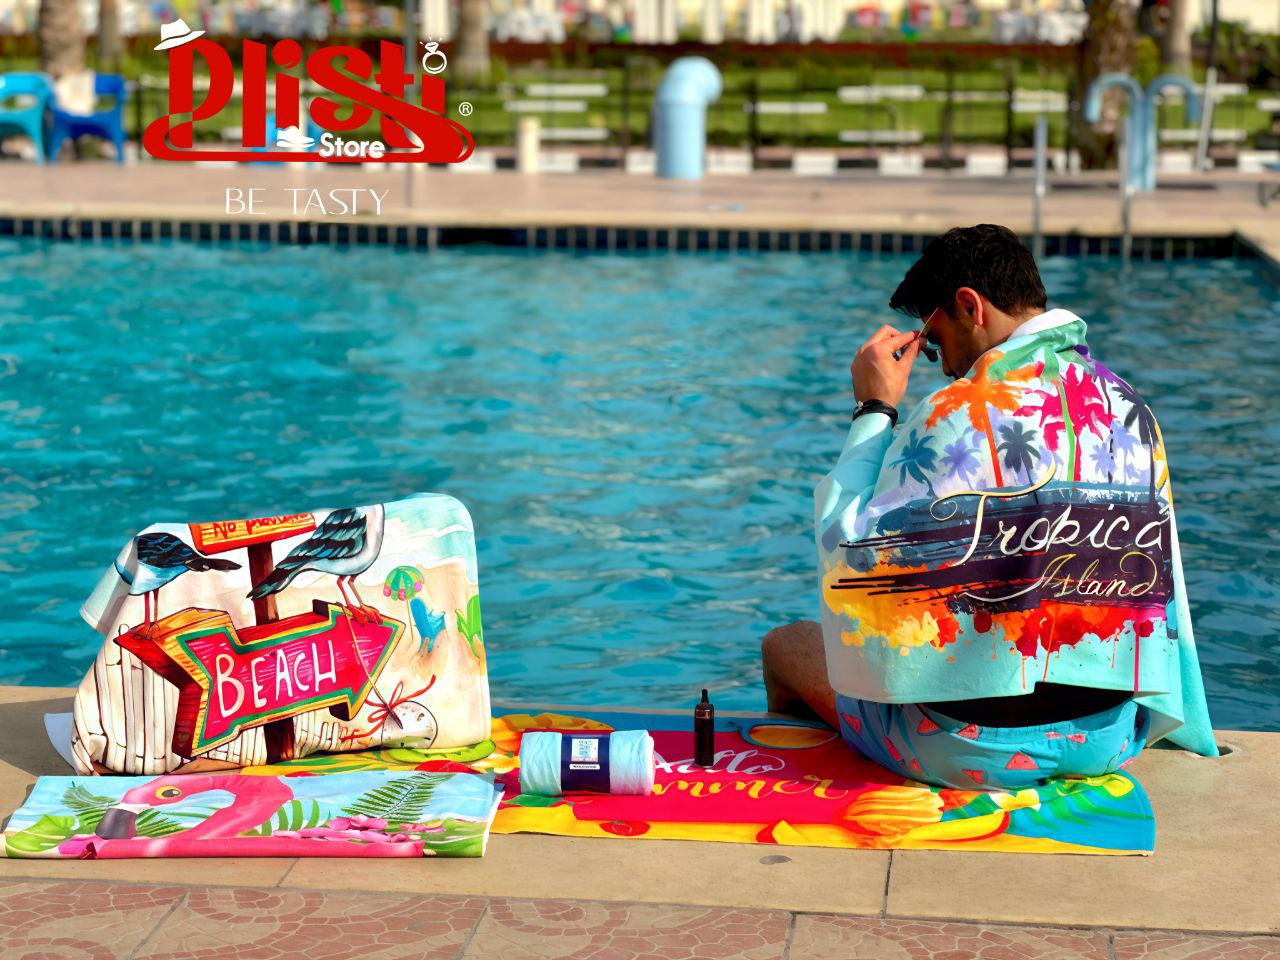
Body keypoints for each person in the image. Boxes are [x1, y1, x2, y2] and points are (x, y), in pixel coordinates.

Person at [762, 224, 1216, 790]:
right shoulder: (1129, 407)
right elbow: (1161, 596)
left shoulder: (954, 412)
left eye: (935, 343)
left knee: (787, 646)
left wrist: (874, 408)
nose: (943, 366)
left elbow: (854, 564)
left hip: (960, 749)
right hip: (1109, 738)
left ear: (970, 306)